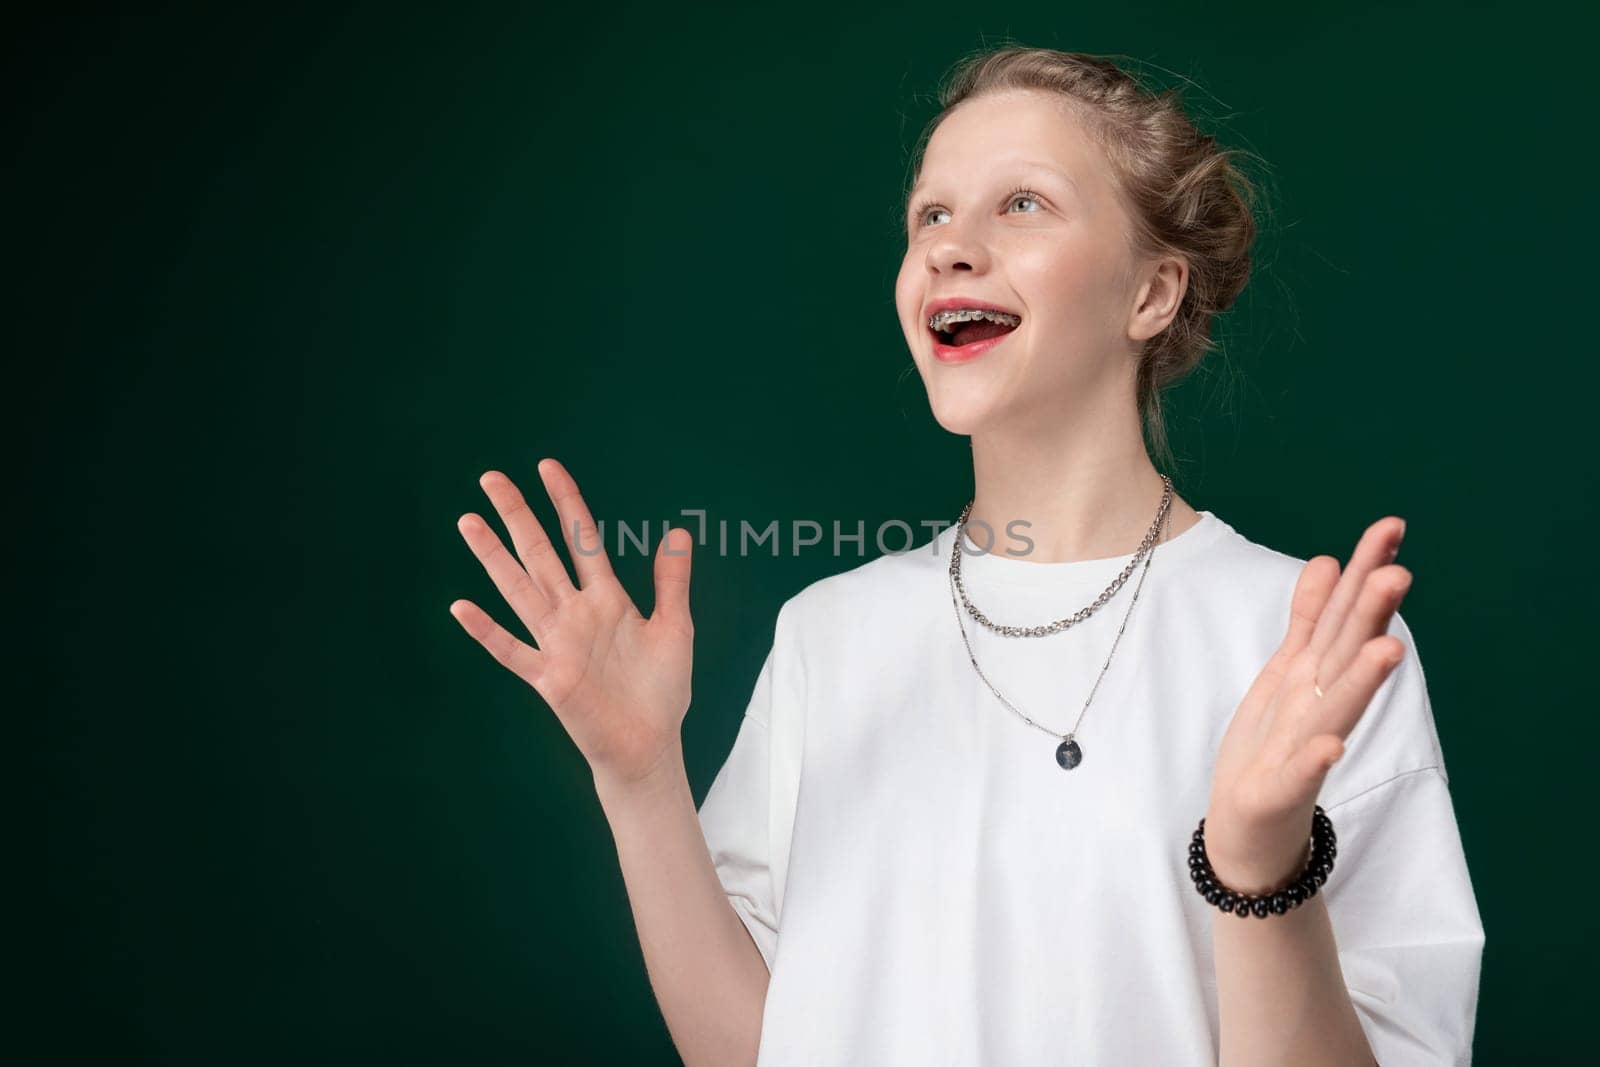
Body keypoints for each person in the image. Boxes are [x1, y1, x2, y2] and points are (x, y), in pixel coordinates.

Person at [449, 46, 1484, 1067]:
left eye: (1021, 204)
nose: (949, 246)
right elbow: (756, 1047)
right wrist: (638, 779)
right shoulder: (829, 631)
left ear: (1151, 294)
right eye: (930, 214)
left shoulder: (1302, 645)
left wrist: (1260, 869)